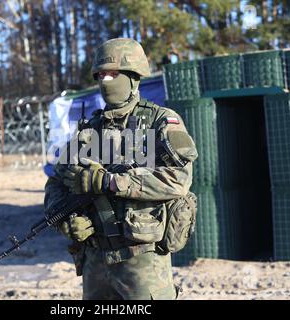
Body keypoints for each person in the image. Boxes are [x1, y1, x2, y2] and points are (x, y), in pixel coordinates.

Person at [44, 38, 198, 300]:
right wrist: (67, 223)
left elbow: (178, 179)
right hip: (95, 261)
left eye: (113, 74)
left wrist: (112, 183)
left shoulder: (160, 122)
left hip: (143, 262)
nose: (106, 81)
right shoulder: (89, 131)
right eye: (101, 74)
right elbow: (55, 185)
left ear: (134, 77)